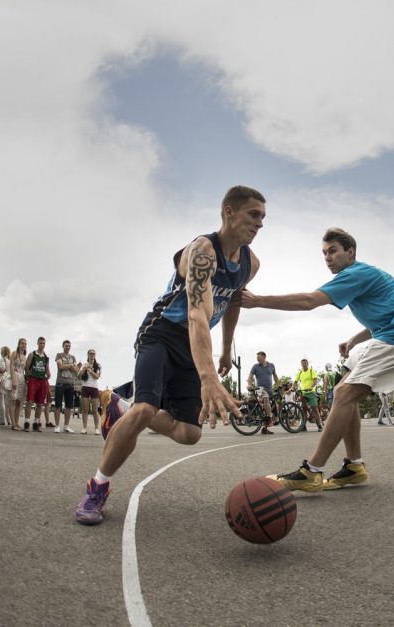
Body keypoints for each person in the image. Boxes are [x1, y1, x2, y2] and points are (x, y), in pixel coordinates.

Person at [73, 185, 264, 525]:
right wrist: (207, 376)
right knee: (146, 409)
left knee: (190, 434)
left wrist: (222, 350)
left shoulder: (250, 264)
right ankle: (96, 488)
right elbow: (196, 313)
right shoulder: (202, 251)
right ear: (228, 212)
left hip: (197, 343)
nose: (260, 223)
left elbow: (232, 304)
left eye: (263, 217)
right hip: (162, 333)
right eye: (254, 214)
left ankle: (119, 406)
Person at [242, 227, 394, 492]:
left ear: (350, 252)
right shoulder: (362, 276)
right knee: (344, 385)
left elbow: (309, 301)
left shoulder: (354, 274)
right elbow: (387, 315)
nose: (327, 258)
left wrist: (257, 301)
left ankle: (312, 471)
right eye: (324, 253)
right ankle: (354, 467)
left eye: (333, 251)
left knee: (343, 393)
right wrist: (355, 339)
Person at [247, 350, 280, 435]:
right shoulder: (255, 366)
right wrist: (250, 384)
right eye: (257, 357)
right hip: (260, 389)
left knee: (271, 407)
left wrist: (278, 384)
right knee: (266, 399)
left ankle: (264, 428)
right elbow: (250, 377)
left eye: (259, 357)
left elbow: (275, 376)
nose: (257, 359)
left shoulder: (271, 366)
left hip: (270, 389)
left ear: (264, 357)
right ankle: (269, 418)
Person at [24, 337, 50, 432]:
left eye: (43, 343)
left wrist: (48, 374)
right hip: (33, 379)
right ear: (37, 343)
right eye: (40, 343)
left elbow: (47, 370)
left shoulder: (46, 357)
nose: (42, 345)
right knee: (30, 401)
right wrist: (28, 378)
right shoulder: (32, 354)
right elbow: (26, 367)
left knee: (40, 403)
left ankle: (36, 423)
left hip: (42, 380)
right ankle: (26, 423)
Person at [53, 339, 78, 433]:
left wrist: (69, 366)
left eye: (69, 346)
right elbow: (60, 367)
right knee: (58, 405)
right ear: (63, 346)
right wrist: (71, 366)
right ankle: (57, 426)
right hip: (60, 383)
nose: (68, 347)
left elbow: (76, 370)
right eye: (66, 345)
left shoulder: (73, 357)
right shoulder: (59, 355)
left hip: (70, 384)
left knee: (69, 406)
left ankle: (66, 426)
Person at [294, 358, 322, 431]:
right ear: (301, 364)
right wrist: (292, 388)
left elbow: (315, 380)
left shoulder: (311, 371)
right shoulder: (300, 372)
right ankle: (303, 426)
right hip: (303, 393)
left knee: (314, 408)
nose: (304, 365)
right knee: (303, 409)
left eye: (305, 363)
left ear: (307, 364)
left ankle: (319, 425)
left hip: (311, 392)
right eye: (302, 363)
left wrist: (310, 387)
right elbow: (295, 381)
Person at [77, 349, 101, 435]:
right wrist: (84, 369)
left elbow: (97, 377)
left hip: (94, 388)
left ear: (95, 355)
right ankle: (84, 428)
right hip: (85, 387)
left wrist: (90, 370)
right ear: (88, 355)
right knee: (85, 409)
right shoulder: (84, 365)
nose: (91, 355)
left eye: (93, 353)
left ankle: (97, 428)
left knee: (95, 410)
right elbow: (79, 376)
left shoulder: (98, 366)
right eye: (90, 353)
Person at [0, 346, 17, 429]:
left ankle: (2, 419)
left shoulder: (3, 359)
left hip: (2, 381)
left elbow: (2, 369)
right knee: (7, 403)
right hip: (8, 381)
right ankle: (8, 419)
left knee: (1, 401)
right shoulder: (10, 360)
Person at [11, 338, 28, 431]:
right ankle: (13, 423)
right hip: (15, 376)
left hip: (22, 378)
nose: (24, 345)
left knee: (19, 401)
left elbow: (26, 370)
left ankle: (17, 422)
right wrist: (13, 380)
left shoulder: (24, 357)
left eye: (25, 344)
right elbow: (11, 367)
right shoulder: (14, 354)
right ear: (18, 344)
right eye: (22, 343)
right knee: (13, 400)